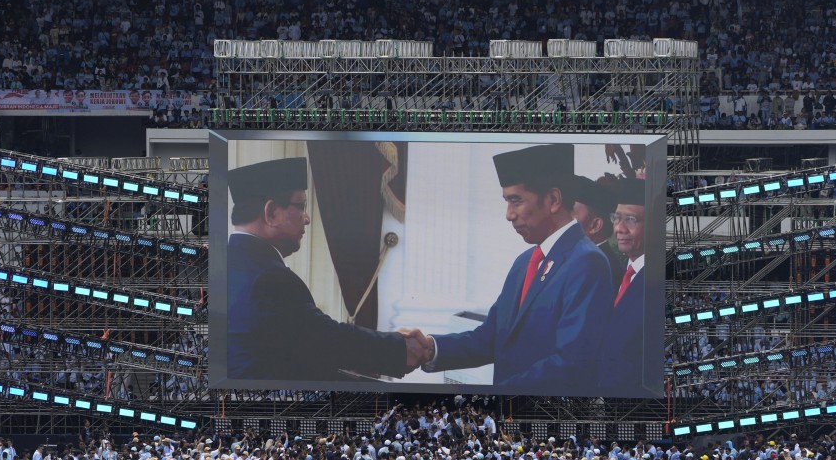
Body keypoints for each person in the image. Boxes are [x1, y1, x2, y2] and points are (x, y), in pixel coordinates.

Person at [410, 144, 614, 395]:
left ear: (553, 200)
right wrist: (430, 349)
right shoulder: (525, 262)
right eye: (507, 202)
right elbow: (492, 337)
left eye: (516, 201)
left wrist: (492, 400)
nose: (509, 215)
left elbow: (570, 364)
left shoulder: (588, 262)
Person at [224, 157, 426, 381]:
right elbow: (328, 341)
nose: (307, 219)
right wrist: (400, 348)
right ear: (271, 213)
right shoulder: (270, 277)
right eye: (301, 206)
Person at [589, 177, 650, 396]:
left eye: (631, 220)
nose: (620, 229)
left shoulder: (655, 282)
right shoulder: (617, 273)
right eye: (616, 218)